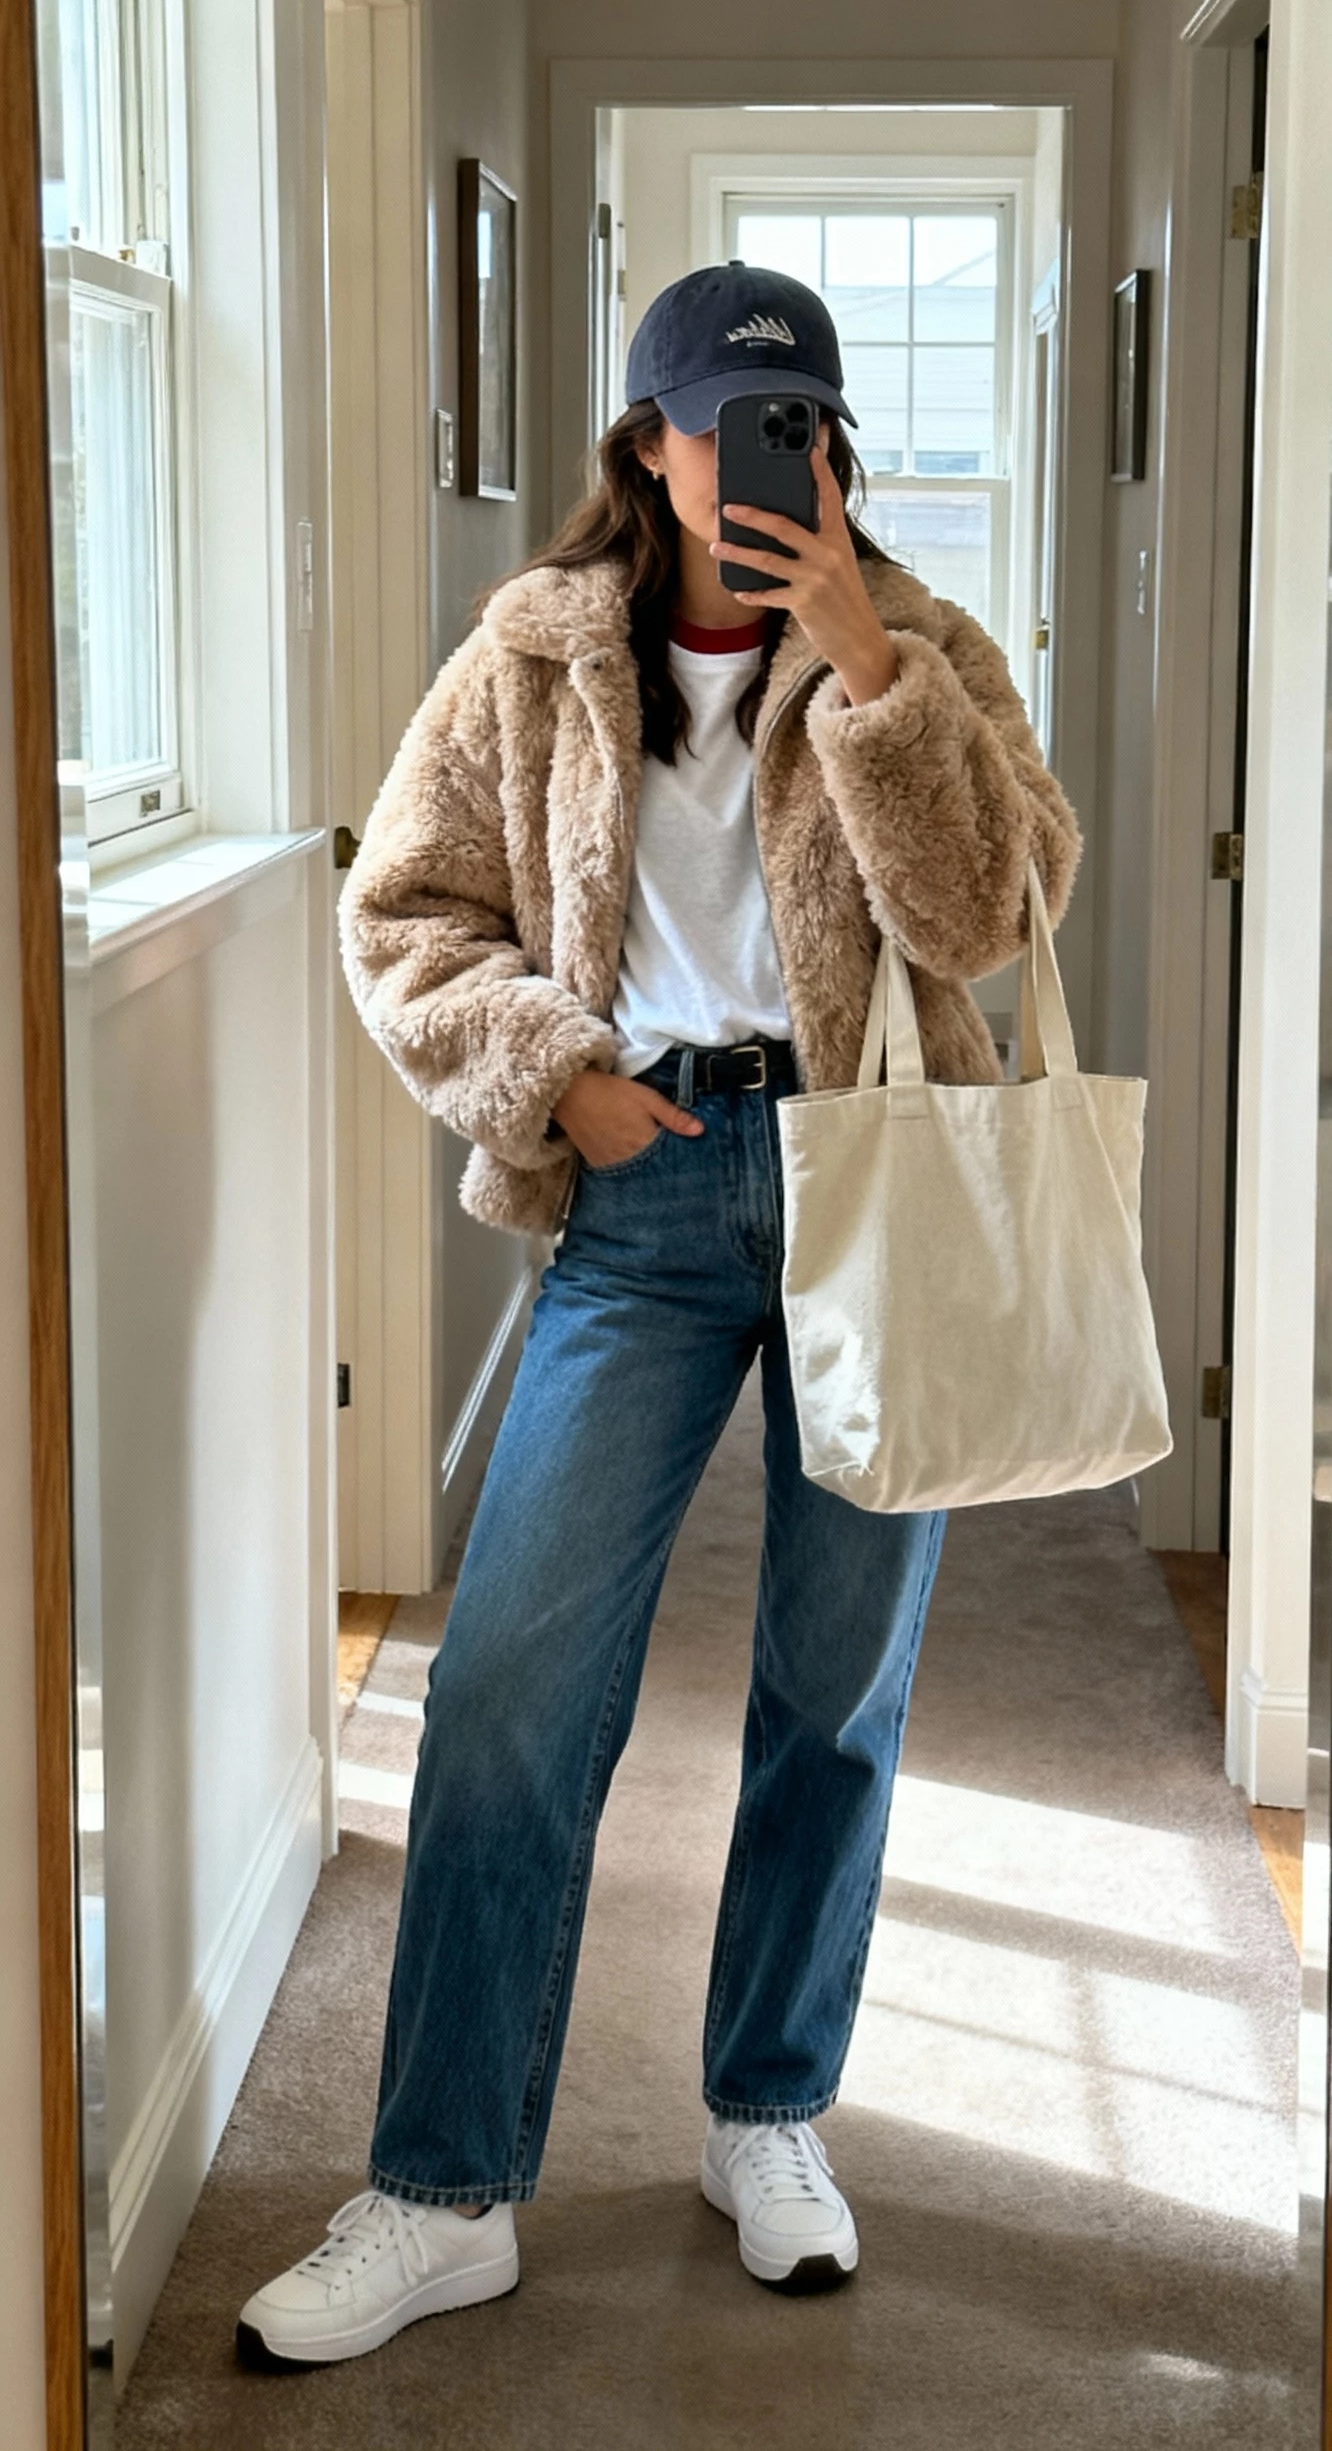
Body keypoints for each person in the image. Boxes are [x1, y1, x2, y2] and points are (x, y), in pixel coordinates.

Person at [237, 263, 1080, 2368]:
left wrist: (869, 668)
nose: (768, 462)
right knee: (508, 1686)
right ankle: (443, 2185)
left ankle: (769, 2110)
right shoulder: (531, 654)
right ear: (648, 441)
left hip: (878, 1184)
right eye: (728, 425)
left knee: (834, 1685)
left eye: (802, 425)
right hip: (644, 1184)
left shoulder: (922, 642)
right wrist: (555, 1073)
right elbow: (401, 911)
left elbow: (994, 910)